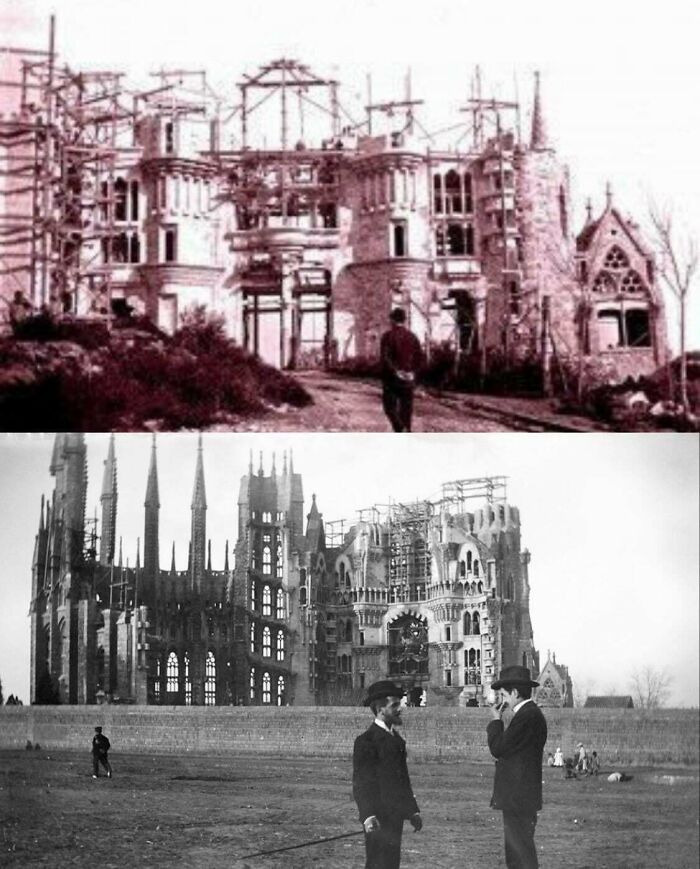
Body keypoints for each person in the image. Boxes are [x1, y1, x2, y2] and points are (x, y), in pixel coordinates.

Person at [353, 679, 422, 869]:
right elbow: (361, 782)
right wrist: (367, 816)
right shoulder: (366, 741)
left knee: (391, 863)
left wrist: (412, 811)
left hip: (395, 817)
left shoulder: (397, 740)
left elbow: (402, 780)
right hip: (377, 819)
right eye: (395, 705)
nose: (401, 709)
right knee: (377, 863)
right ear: (380, 708)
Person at [487, 665, 548, 869]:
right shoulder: (531, 714)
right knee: (520, 850)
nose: (503, 700)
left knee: (519, 853)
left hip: (517, 798)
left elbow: (498, 748)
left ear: (514, 693)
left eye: (504, 694)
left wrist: (496, 721)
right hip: (522, 797)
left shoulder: (526, 716)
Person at [379, 308, 423, 433]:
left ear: (392, 320)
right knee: (406, 411)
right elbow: (419, 357)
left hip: (391, 380)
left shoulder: (387, 336)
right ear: (405, 320)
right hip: (408, 380)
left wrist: (396, 372)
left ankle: (400, 429)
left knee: (389, 408)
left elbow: (385, 358)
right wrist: (413, 373)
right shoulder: (413, 337)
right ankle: (406, 433)